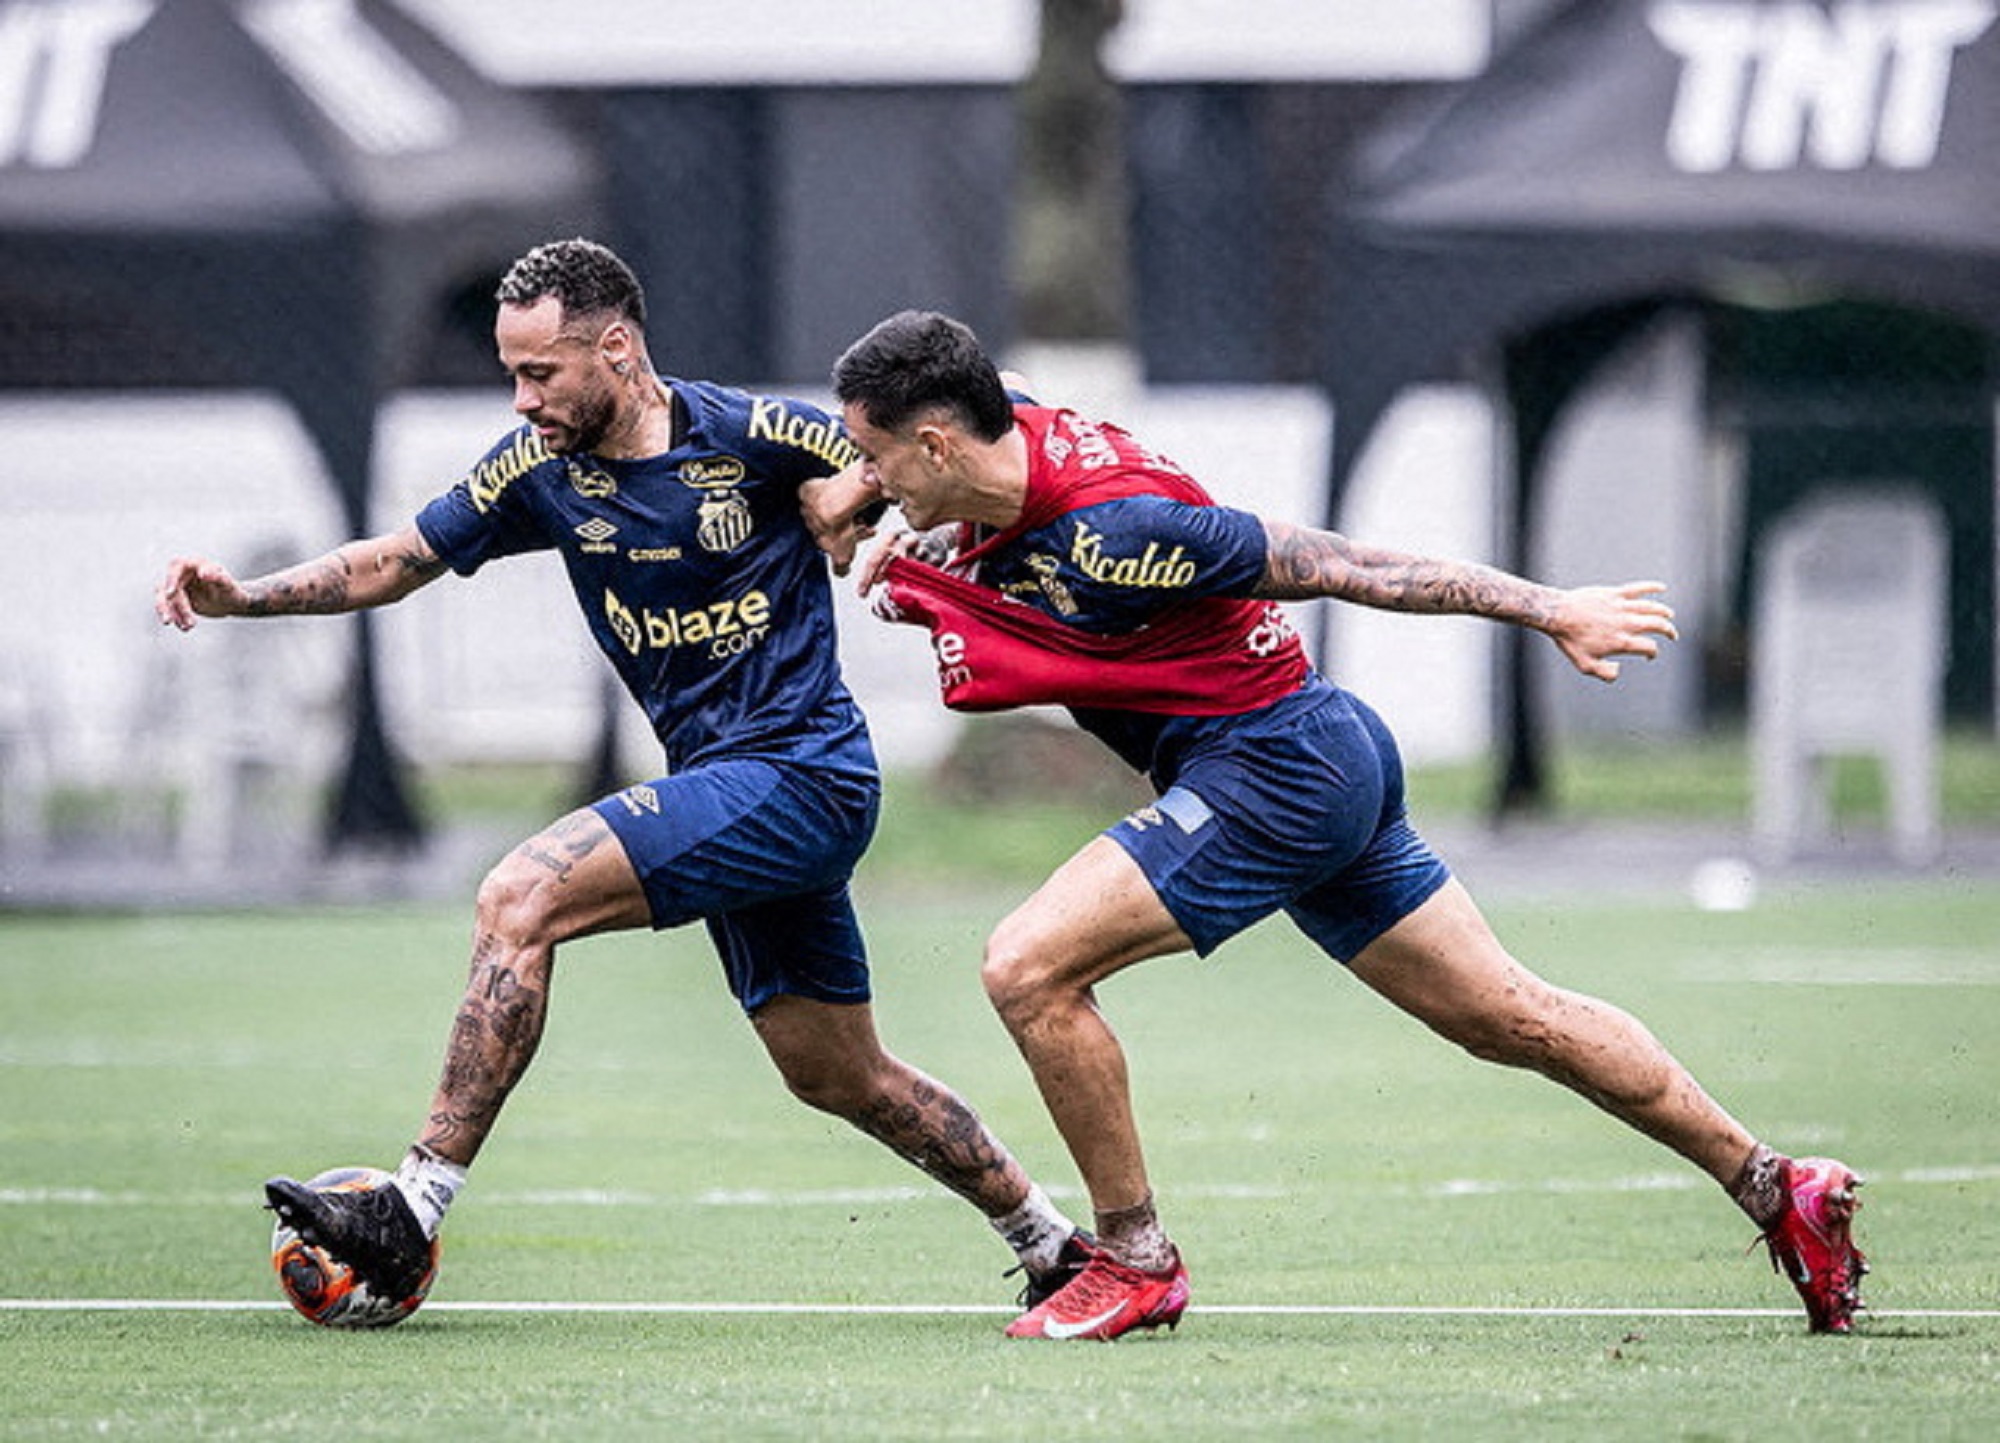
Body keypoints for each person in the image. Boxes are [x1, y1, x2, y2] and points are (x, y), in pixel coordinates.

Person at [815, 308, 1866, 1341]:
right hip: (1312, 752)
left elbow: (1351, 566)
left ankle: (1132, 1259)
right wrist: (863, 503)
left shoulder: (1116, 531)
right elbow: (904, 479)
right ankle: (1778, 1188)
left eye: (876, 459)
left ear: (938, 442)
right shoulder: (1012, 429)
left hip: (1275, 769)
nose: (868, 483)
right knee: (1512, 1017)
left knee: (1026, 969)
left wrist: (1548, 607)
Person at [154, 242, 1090, 1312]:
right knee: (836, 1073)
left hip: (801, 774)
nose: (522, 398)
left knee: (521, 894)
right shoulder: (533, 469)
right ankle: (1050, 1243)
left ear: (616, 347)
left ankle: (410, 1207)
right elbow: (394, 560)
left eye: (540, 372)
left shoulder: (754, 435)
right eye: (511, 374)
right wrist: (245, 598)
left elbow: (957, 421)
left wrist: (863, 492)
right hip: (720, 787)